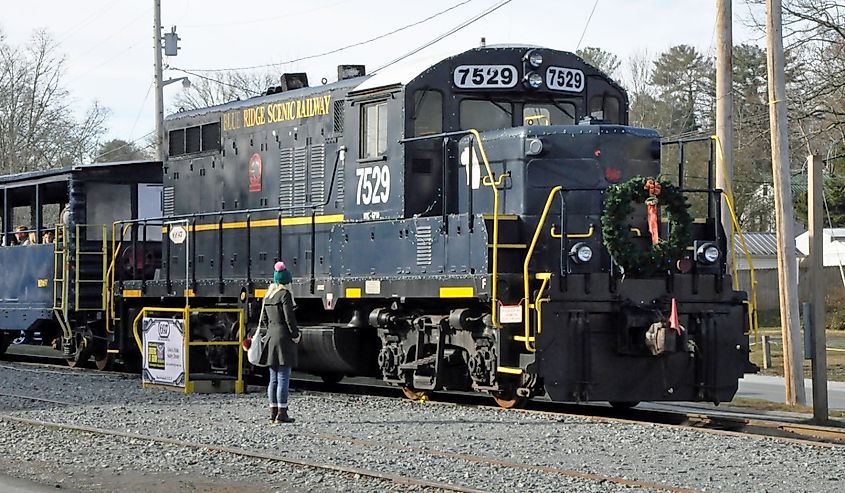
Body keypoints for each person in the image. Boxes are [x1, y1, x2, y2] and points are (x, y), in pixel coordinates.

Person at [260, 261, 301, 424]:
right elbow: (289, 318)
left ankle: (273, 411)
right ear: (287, 281)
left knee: (273, 378)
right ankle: (282, 413)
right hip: (283, 338)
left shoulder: (268, 295)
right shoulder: (285, 295)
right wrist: (295, 334)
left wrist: (270, 329)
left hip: (271, 336)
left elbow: (263, 317)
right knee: (284, 376)